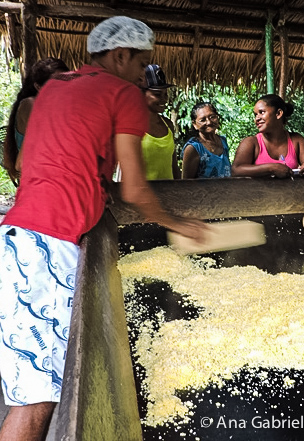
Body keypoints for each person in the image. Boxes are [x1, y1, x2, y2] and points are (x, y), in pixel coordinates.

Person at [0, 16, 207, 441]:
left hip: (19, 237)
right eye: (140, 64)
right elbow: (134, 189)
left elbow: (29, 165)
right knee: (37, 400)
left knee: (37, 388)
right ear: (120, 55)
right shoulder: (122, 94)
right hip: (51, 246)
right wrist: (179, 224)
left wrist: (95, 184)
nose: (141, 74)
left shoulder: (55, 88)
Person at [2, 57, 69, 186]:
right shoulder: (30, 105)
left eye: (66, 81)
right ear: (38, 86)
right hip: (36, 182)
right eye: (56, 84)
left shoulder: (57, 108)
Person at [231, 94, 304, 178]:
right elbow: (236, 170)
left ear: (278, 113)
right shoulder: (251, 143)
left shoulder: (296, 140)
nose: (257, 119)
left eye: (262, 112)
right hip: (257, 196)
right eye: (255, 114)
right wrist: (271, 168)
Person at [141, 64, 180, 180]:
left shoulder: (168, 125)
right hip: (142, 196)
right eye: (157, 94)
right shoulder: (130, 127)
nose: (164, 99)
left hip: (169, 196)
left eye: (165, 94)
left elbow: (174, 166)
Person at [181, 102, 231, 179]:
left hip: (226, 190)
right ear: (194, 124)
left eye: (212, 117)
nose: (209, 122)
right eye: (202, 120)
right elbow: (186, 182)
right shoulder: (193, 148)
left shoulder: (223, 141)